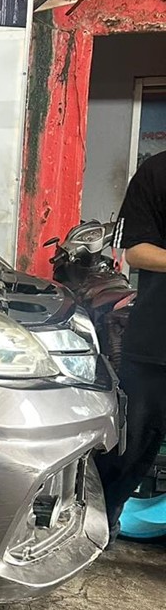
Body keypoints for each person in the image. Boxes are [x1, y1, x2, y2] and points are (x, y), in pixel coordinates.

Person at [102, 147, 166, 540]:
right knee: (130, 451)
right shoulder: (158, 171)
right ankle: (100, 523)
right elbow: (137, 251)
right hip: (156, 343)